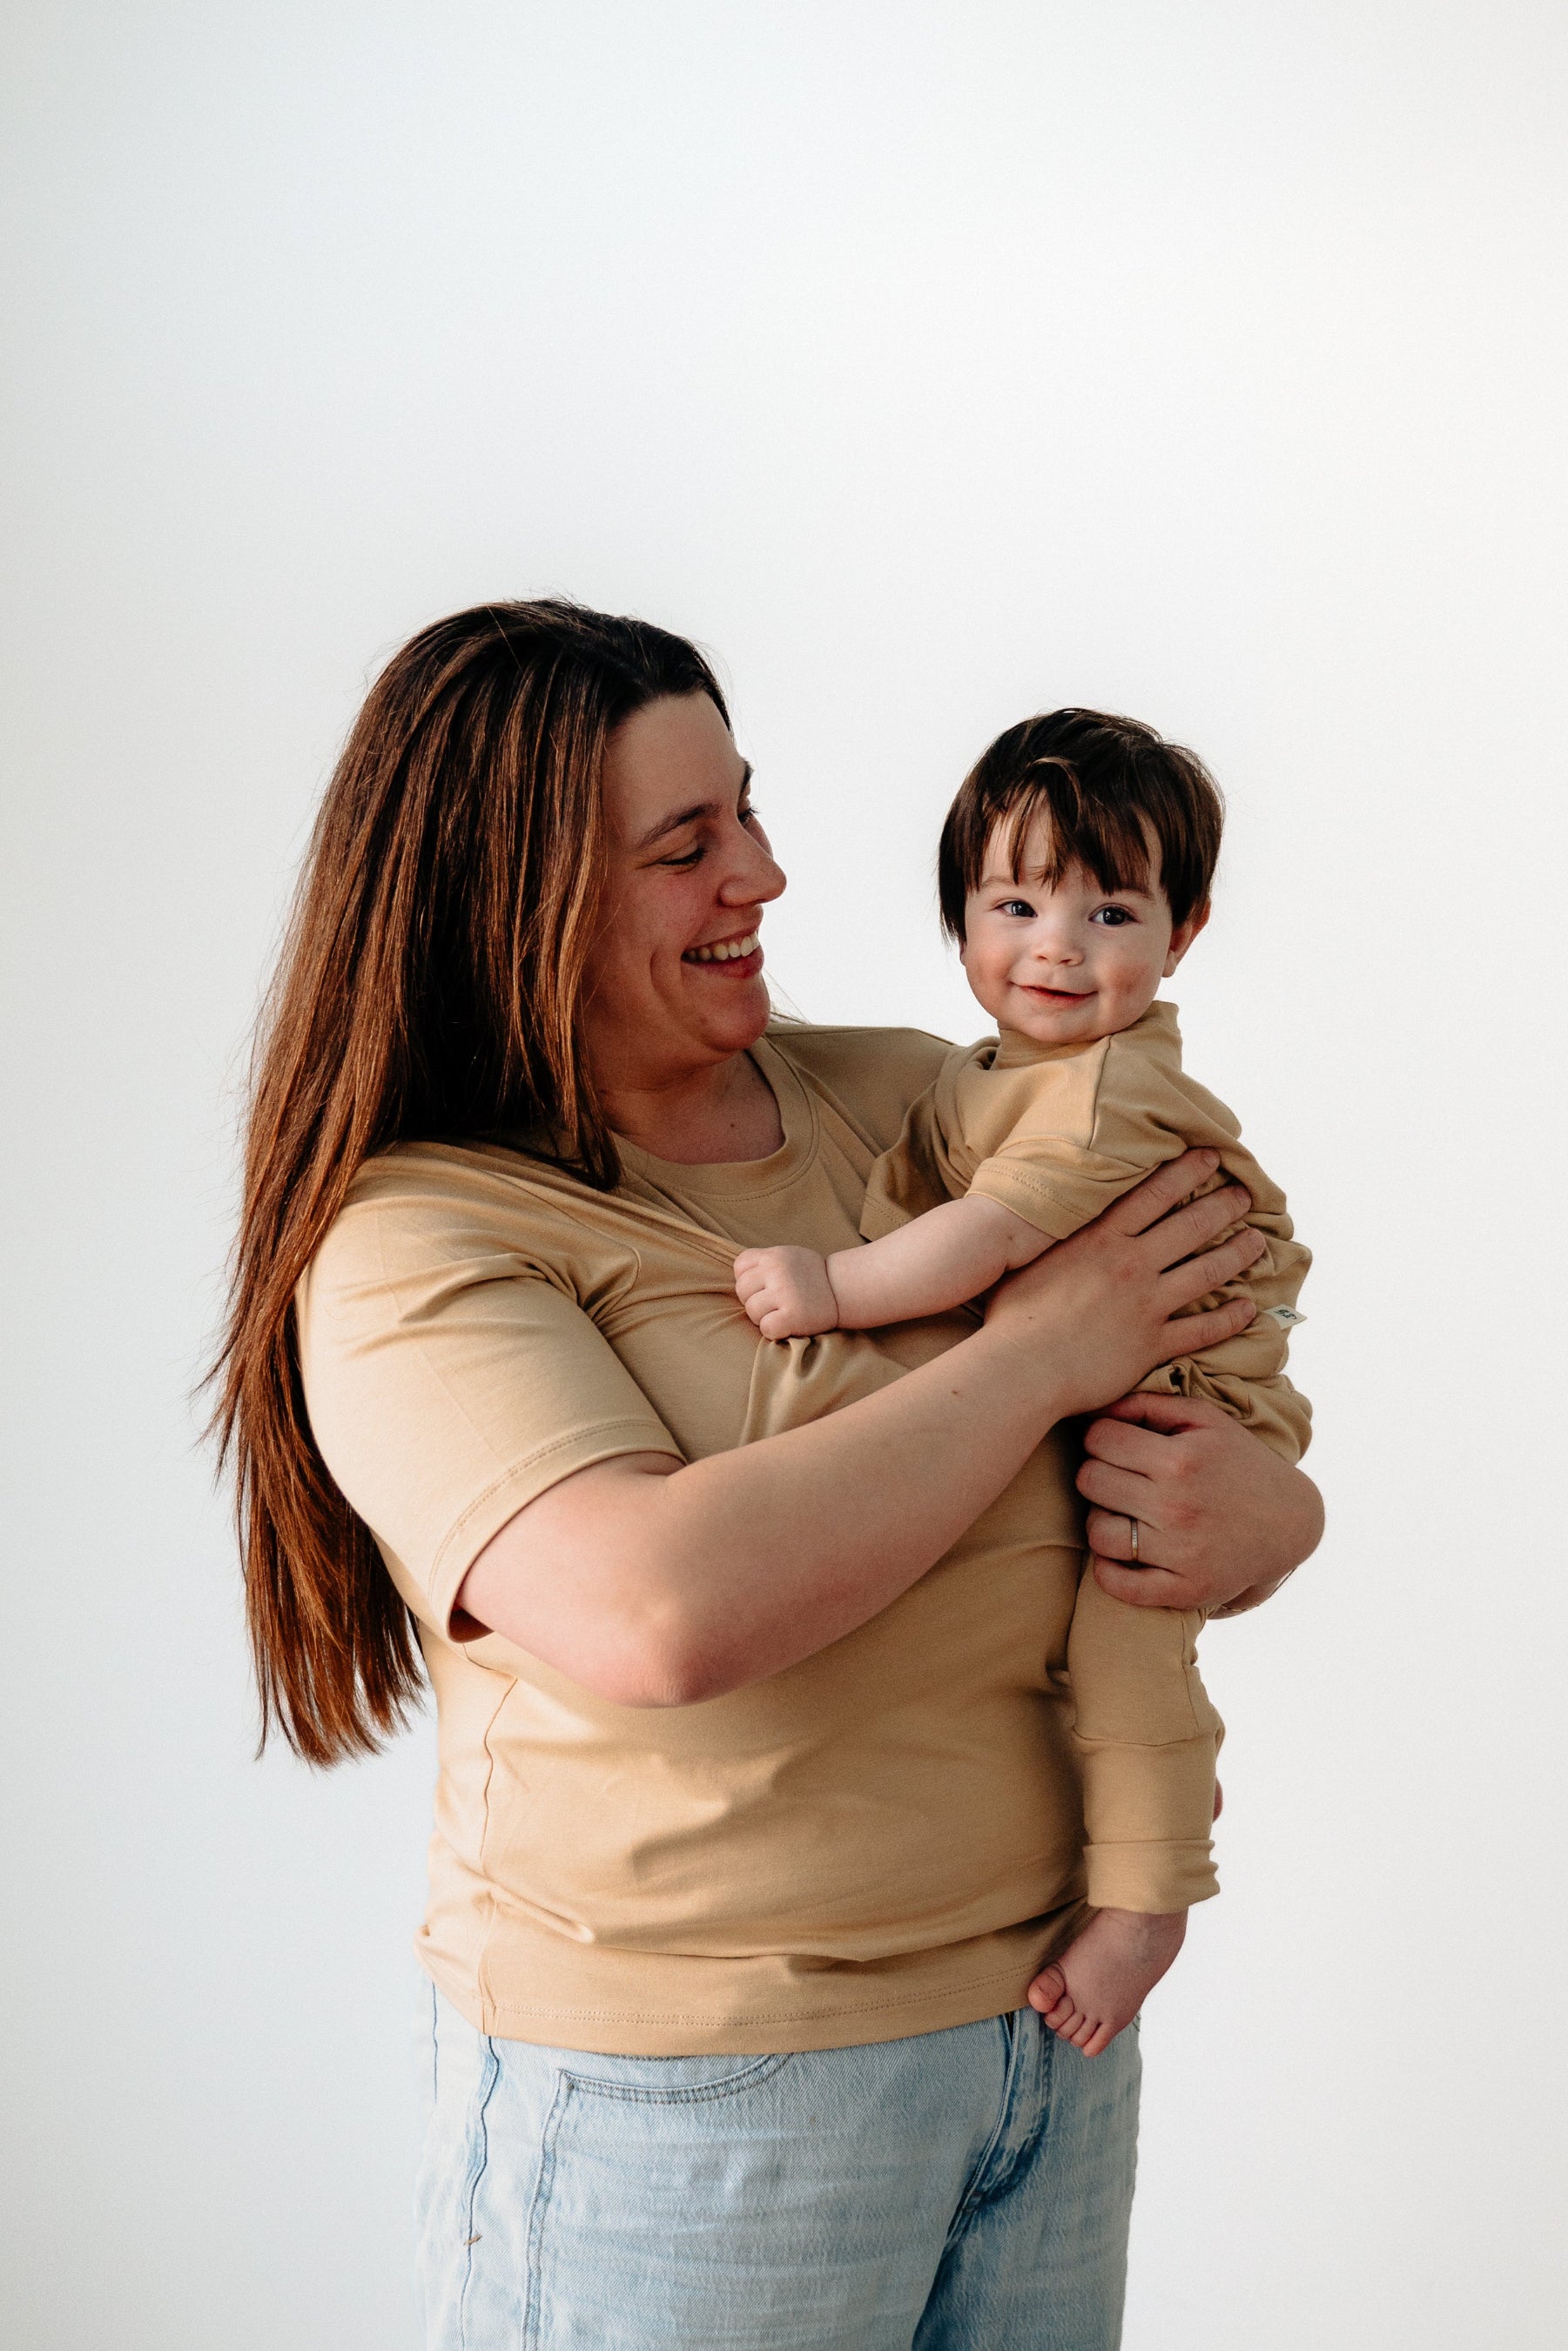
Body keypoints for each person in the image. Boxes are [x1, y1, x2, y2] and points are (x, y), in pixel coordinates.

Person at [212, 600, 1323, 2351]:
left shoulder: (922, 1104)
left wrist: (1272, 1516)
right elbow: (658, 1613)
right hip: (691, 2102)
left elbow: (1203, 1348)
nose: (765, 876)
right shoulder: (420, 1240)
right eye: (686, 846)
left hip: (1047, 2039)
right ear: (512, 897)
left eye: (746, 811)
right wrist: (1043, 1350)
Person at [734, 710, 1312, 2057]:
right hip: (1123, 1376)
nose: (1056, 947)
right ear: (958, 918)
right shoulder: (987, 1075)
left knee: (1125, 1639)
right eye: (1015, 905)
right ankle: (1130, 1809)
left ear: (1182, 932)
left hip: (1188, 1398)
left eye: (1109, 913)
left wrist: (832, 1290)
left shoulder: (1102, 1096)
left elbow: (984, 1239)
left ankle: (1148, 1899)